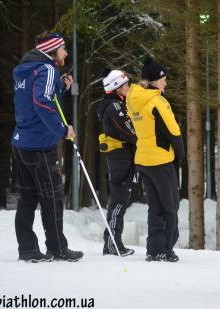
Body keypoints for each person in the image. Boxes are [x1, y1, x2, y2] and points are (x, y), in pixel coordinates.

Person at [11, 31, 83, 262]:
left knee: (28, 198)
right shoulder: (48, 69)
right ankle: (57, 248)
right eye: (63, 48)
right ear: (52, 50)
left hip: (21, 142)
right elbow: (42, 101)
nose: (65, 53)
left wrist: (60, 87)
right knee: (52, 197)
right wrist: (62, 129)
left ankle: (28, 250)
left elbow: (38, 99)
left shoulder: (27, 69)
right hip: (39, 145)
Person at [126, 57, 184, 262]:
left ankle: (154, 249)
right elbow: (173, 131)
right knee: (171, 206)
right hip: (160, 160)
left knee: (155, 206)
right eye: (164, 79)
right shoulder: (157, 101)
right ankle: (166, 249)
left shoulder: (134, 99)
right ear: (155, 80)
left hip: (143, 158)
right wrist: (180, 156)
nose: (166, 83)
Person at [98, 69, 137, 257]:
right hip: (119, 158)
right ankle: (112, 243)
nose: (129, 88)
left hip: (122, 156)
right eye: (126, 85)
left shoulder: (117, 104)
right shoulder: (114, 107)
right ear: (117, 88)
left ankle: (112, 241)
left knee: (120, 200)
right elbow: (131, 132)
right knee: (119, 200)